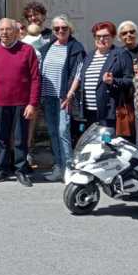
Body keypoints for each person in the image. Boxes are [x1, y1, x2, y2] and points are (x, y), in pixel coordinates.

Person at [0, 18, 40, 187]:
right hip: (0, 102)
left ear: (16, 31)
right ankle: (2, 169)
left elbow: (35, 79)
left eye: (8, 29)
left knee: (20, 138)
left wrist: (32, 103)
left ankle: (21, 169)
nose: (4, 33)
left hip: (22, 102)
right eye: (1, 29)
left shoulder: (27, 50)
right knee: (1, 137)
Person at [37, 16, 86, 181]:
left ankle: (69, 167)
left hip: (63, 97)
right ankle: (59, 166)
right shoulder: (47, 47)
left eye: (64, 28)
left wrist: (70, 94)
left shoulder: (75, 48)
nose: (60, 31)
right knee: (52, 132)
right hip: (48, 97)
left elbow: (78, 73)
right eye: (56, 28)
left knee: (63, 131)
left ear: (70, 29)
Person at [64, 22, 133, 134]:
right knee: (93, 145)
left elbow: (130, 80)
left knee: (107, 145)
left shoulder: (121, 54)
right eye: (98, 36)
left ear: (113, 37)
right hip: (89, 111)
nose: (101, 39)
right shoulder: (89, 56)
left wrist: (113, 81)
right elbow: (80, 77)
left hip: (109, 111)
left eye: (105, 36)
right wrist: (71, 93)